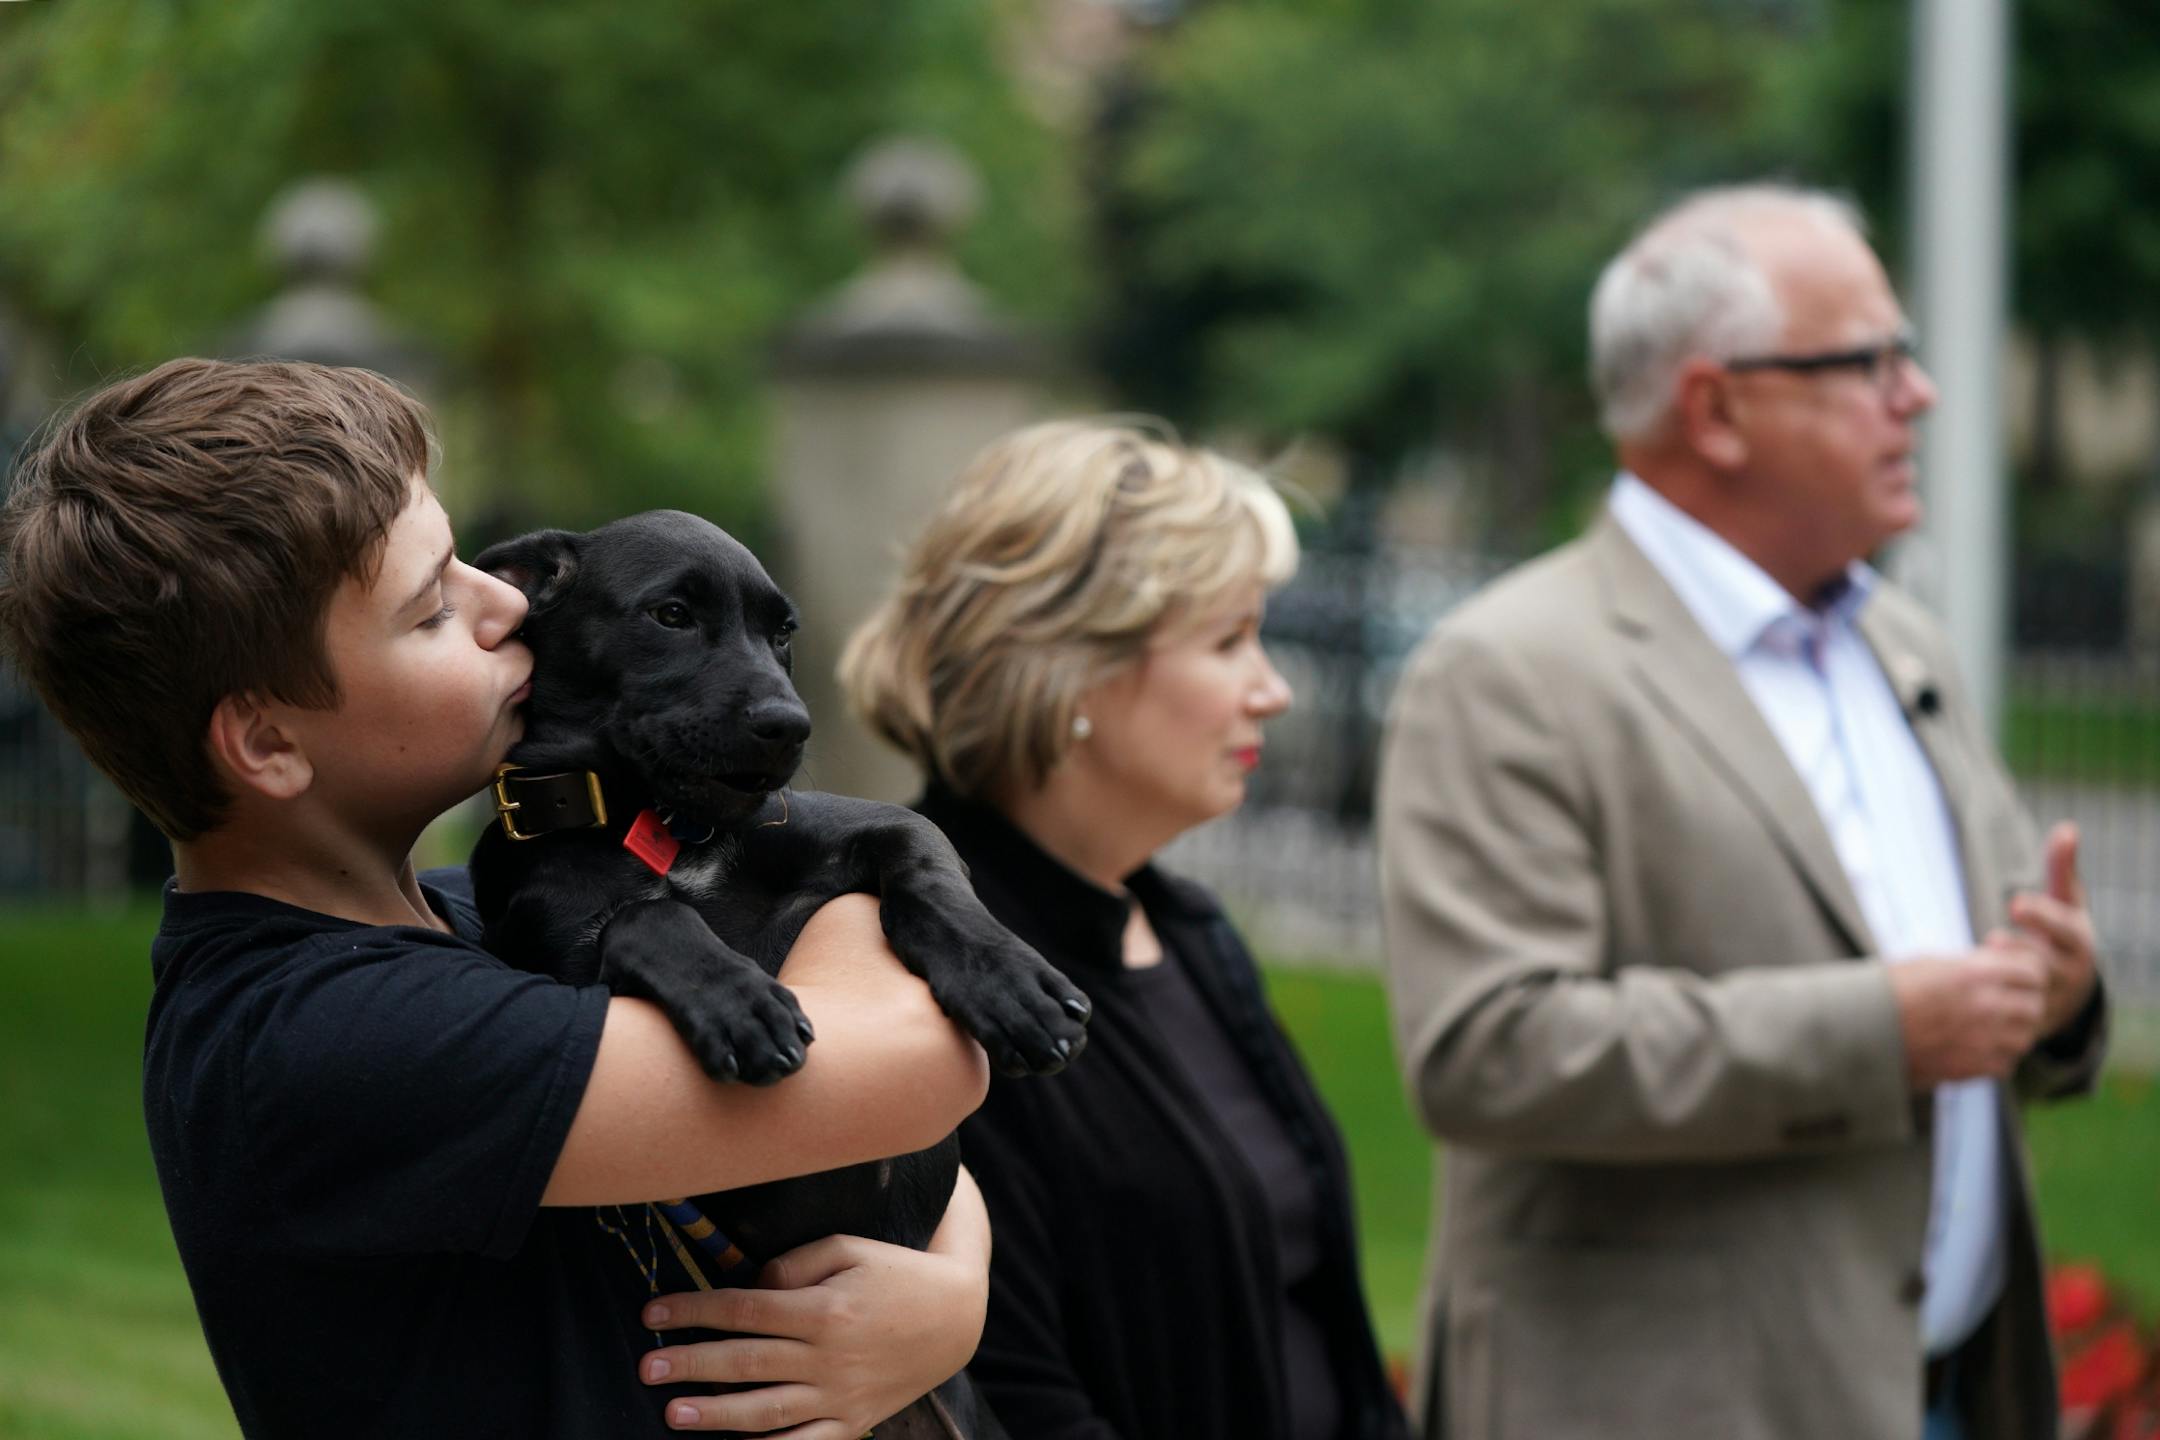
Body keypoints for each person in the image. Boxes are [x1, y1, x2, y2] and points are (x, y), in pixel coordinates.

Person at [0, 357, 996, 1437]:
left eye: (470, 563)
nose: (509, 604)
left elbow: (889, 1146)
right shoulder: (320, 1038)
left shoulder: (475, 913)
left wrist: (949, 1300)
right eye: (432, 609)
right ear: (269, 740)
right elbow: (913, 1070)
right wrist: (858, 869)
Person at [1376, 183, 2108, 1440]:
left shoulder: (1898, 640)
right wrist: (1883, 1029)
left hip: (1941, 1391)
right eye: (1869, 361)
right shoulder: (1510, 668)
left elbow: (1977, 983)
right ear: (1715, 408)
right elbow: (1487, 1047)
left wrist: (2055, 994)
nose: (1916, 395)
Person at [839, 420, 1410, 1440]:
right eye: (1230, 640)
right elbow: (1008, 1391)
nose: (1272, 690)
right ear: (1072, 667)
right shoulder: (932, 976)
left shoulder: (1186, 929)